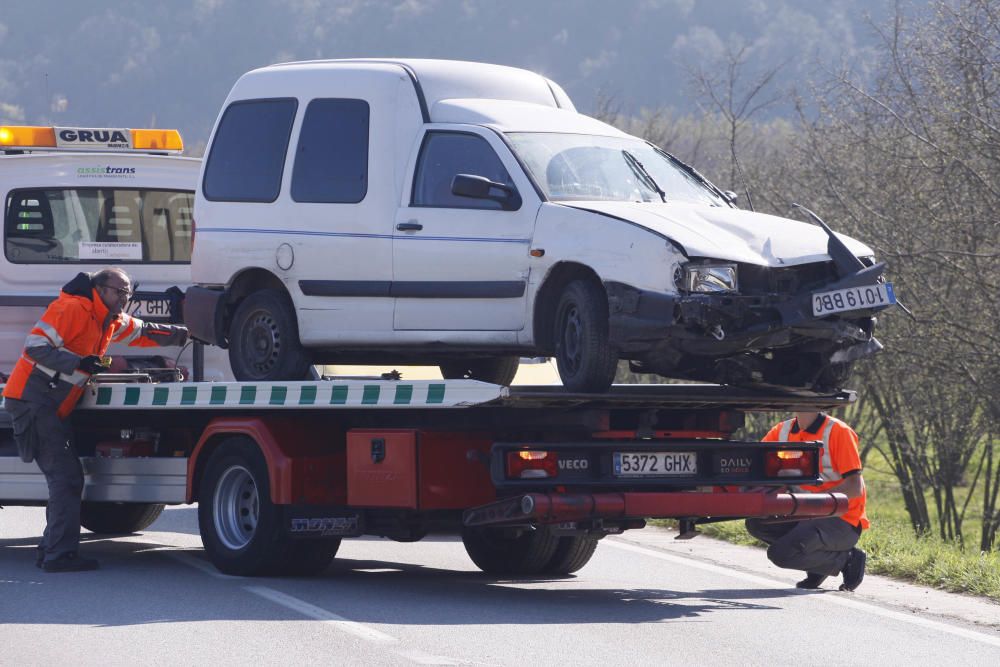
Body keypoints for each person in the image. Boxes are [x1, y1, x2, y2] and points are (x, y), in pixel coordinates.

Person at [2, 268, 188, 572]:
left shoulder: (110, 319)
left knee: (66, 477)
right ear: (100, 289)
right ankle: (58, 555)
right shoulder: (71, 308)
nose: (125, 299)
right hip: (33, 399)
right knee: (66, 477)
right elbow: (35, 347)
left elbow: (143, 331)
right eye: (119, 292)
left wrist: (185, 333)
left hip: (50, 404)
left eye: (129, 293)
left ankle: (52, 548)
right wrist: (79, 363)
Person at [745, 410, 868, 591]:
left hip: (841, 520)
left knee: (781, 554)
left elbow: (854, 487)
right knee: (757, 523)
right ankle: (817, 564)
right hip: (803, 515)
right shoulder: (782, 431)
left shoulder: (838, 431)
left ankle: (847, 559)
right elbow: (755, 465)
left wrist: (811, 502)